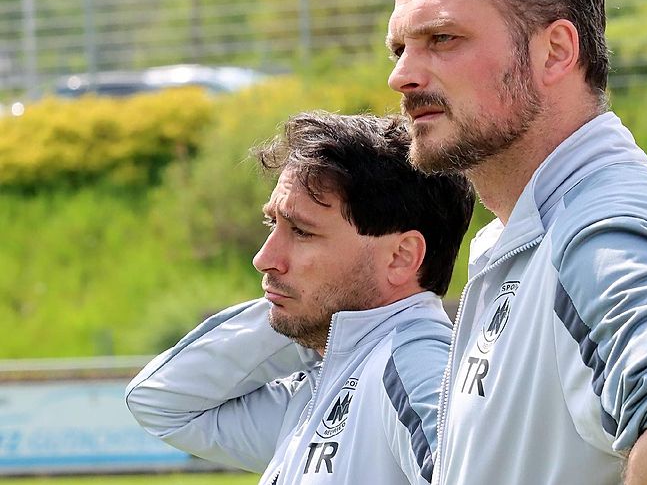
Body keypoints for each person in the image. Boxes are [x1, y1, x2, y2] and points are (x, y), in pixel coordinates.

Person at [385, 0, 647, 484]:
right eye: (399, 48)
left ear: (556, 51)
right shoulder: (539, 229)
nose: (402, 75)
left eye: (442, 39)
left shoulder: (598, 226)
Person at [125, 111, 475, 485]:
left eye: (302, 232)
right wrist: (322, 331)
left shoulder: (412, 361)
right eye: (272, 224)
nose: (263, 258)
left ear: (400, 257)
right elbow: (161, 403)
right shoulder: (326, 381)